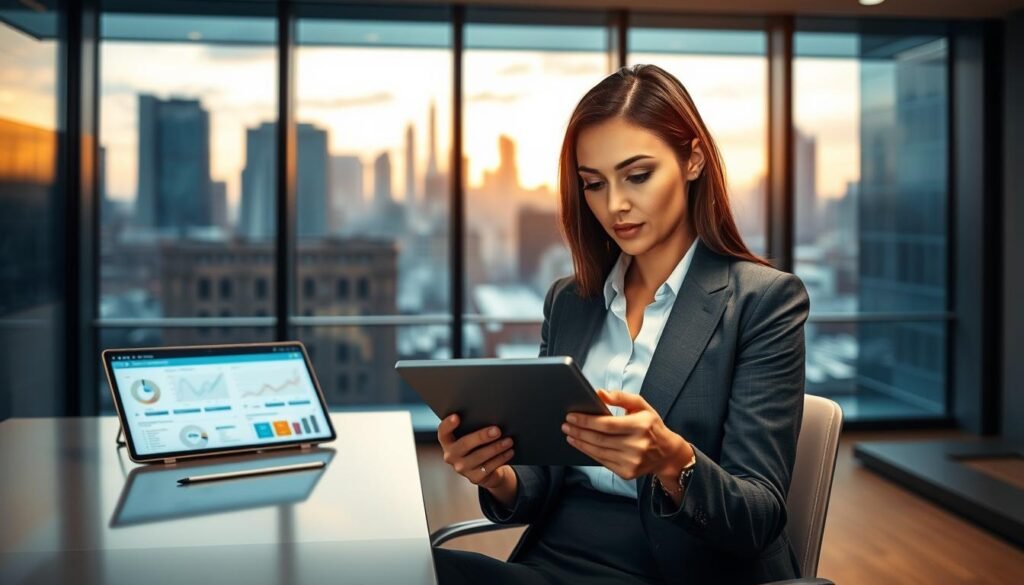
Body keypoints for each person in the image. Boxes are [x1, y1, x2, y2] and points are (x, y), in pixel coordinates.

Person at [432, 63, 810, 584]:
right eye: (593, 184)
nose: (615, 205)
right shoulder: (570, 302)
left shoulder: (762, 301)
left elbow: (758, 518)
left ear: (693, 159)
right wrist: (496, 476)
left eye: (638, 175)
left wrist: (672, 460)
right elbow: (542, 478)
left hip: (683, 566)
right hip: (556, 558)